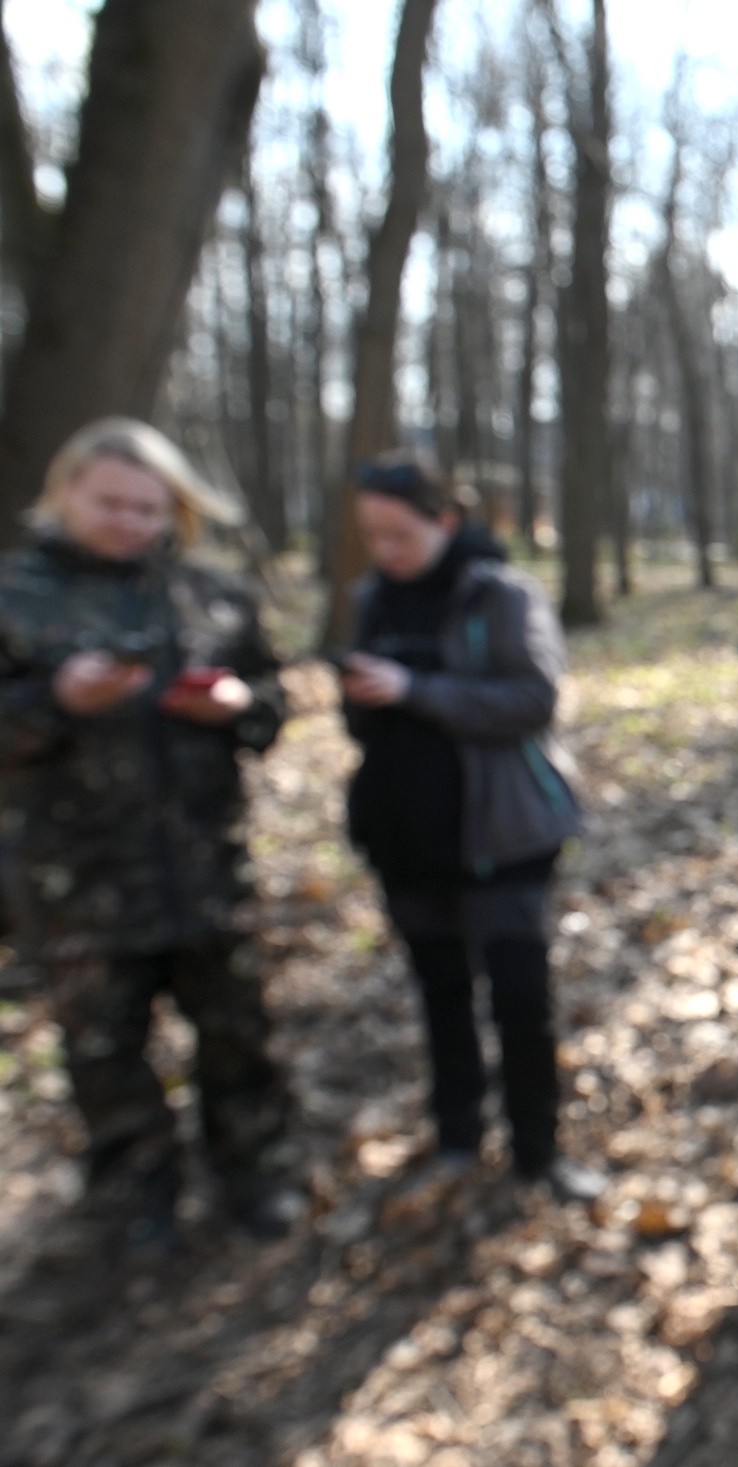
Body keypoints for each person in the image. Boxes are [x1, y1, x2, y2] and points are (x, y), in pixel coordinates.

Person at [0, 419, 298, 1254]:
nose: (129, 522)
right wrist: (53, 701)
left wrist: (239, 705)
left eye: (147, 507)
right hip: (78, 877)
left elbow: (272, 698)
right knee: (104, 1046)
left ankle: (256, 1168)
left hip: (206, 864)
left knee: (237, 1030)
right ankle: (138, 1192)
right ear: (65, 494)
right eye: (111, 503)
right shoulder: (15, 595)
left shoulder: (211, 594)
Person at [337, 455, 601, 1204]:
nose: (387, 550)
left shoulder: (502, 594)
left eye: (401, 534)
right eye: (372, 536)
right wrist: (361, 694)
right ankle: (457, 1135)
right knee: (440, 993)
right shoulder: (372, 601)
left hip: (503, 833)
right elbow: (360, 720)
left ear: (446, 521)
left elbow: (533, 699)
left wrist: (416, 689)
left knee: (520, 997)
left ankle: (538, 1151)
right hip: (406, 836)